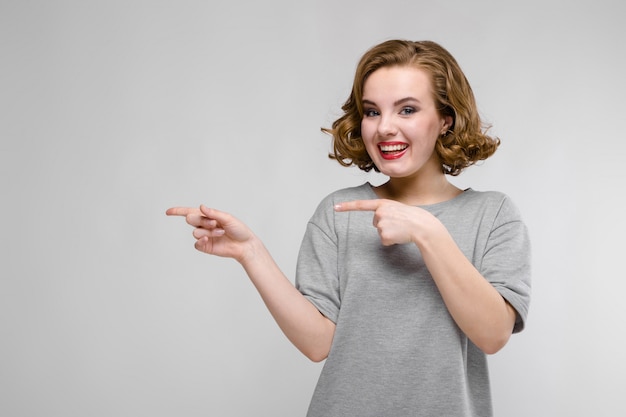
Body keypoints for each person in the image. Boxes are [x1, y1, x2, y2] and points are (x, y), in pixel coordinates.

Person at [166, 39, 531, 417]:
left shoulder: (493, 214)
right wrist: (250, 252)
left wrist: (428, 233)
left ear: (445, 119)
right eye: (372, 112)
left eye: (407, 109)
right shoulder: (338, 211)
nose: (385, 128)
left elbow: (492, 334)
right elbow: (317, 343)